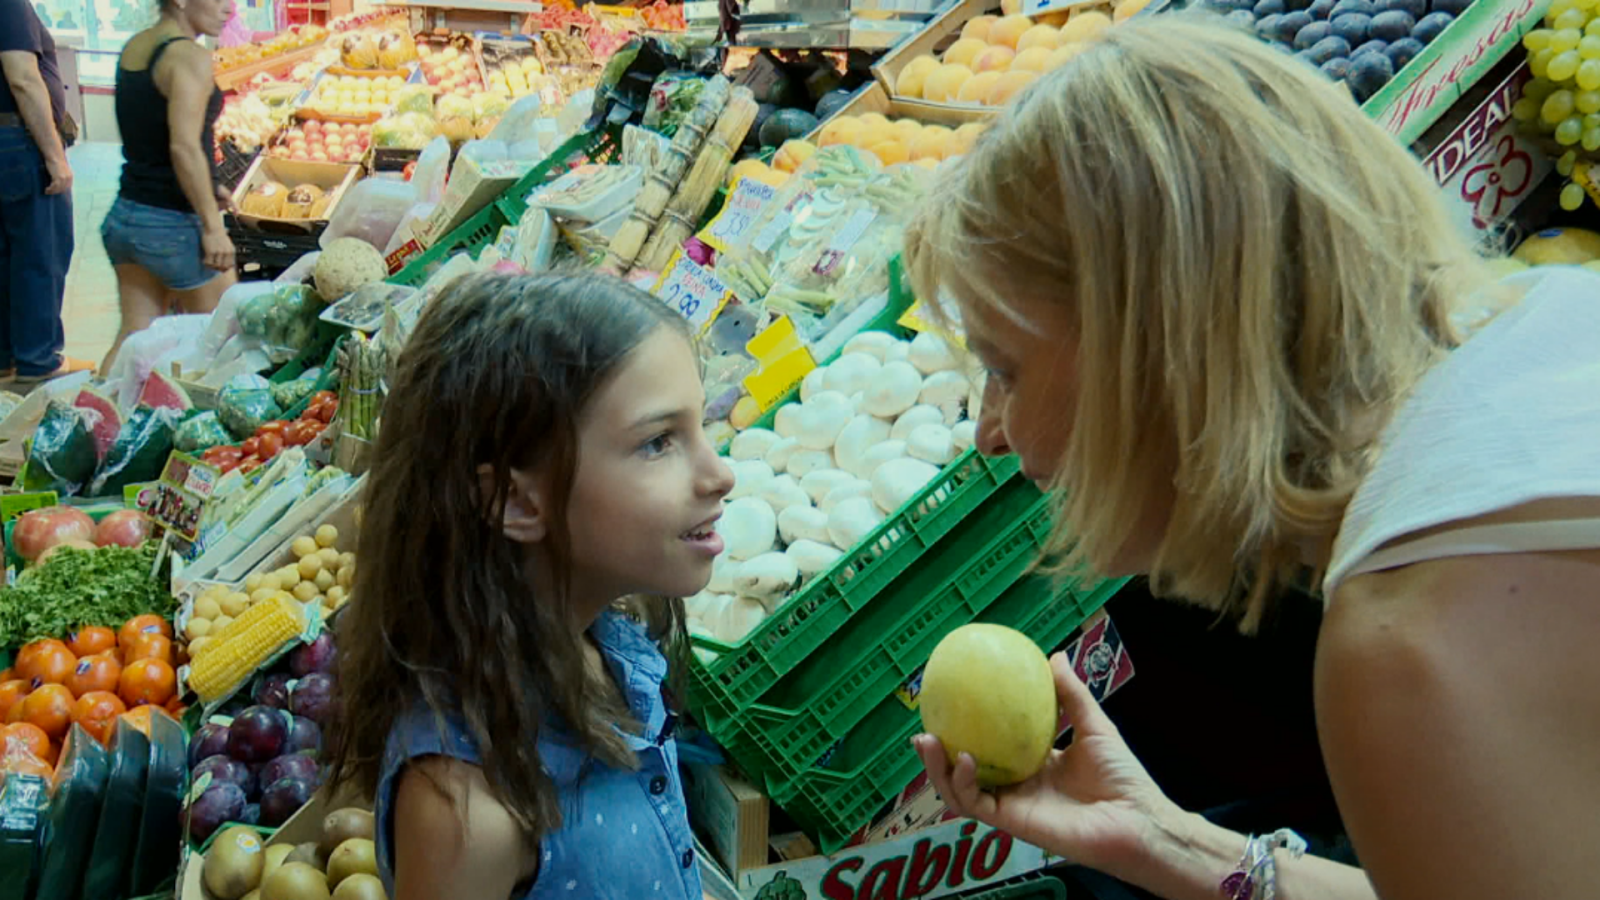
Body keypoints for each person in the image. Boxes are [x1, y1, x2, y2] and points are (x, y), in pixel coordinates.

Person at [903, 14, 1599, 900]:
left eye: (1003, 368)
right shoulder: (1546, 320)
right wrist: (1166, 842)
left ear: (1155, 352)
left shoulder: (1401, 650)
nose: (989, 432)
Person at [324, 273, 734, 900]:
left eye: (700, 426)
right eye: (658, 443)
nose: (719, 473)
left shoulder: (605, 651)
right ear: (515, 501)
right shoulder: (468, 814)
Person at [100, 0, 238, 375]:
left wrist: (210, 186)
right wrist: (212, 226)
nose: (230, 8)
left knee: (133, 341)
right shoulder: (189, 56)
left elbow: (153, 135)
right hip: (174, 227)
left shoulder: (136, 46)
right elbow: (183, 146)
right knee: (227, 341)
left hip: (128, 216)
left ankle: (88, 423)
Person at [0, 0, 90, 388]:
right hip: (19, 142)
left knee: (6, 255)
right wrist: (55, 157)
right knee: (41, 252)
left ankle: (7, 358)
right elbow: (22, 75)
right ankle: (39, 360)